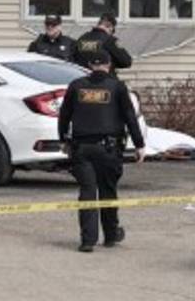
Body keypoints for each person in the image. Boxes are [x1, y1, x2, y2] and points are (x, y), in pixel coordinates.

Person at [58, 49, 146, 253]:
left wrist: (63, 139)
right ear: (108, 66)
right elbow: (130, 118)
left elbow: (64, 115)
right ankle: (111, 234)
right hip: (108, 148)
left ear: (90, 66)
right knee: (108, 191)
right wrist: (139, 145)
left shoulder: (76, 86)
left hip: (81, 148)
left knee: (87, 192)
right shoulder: (117, 87)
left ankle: (87, 240)